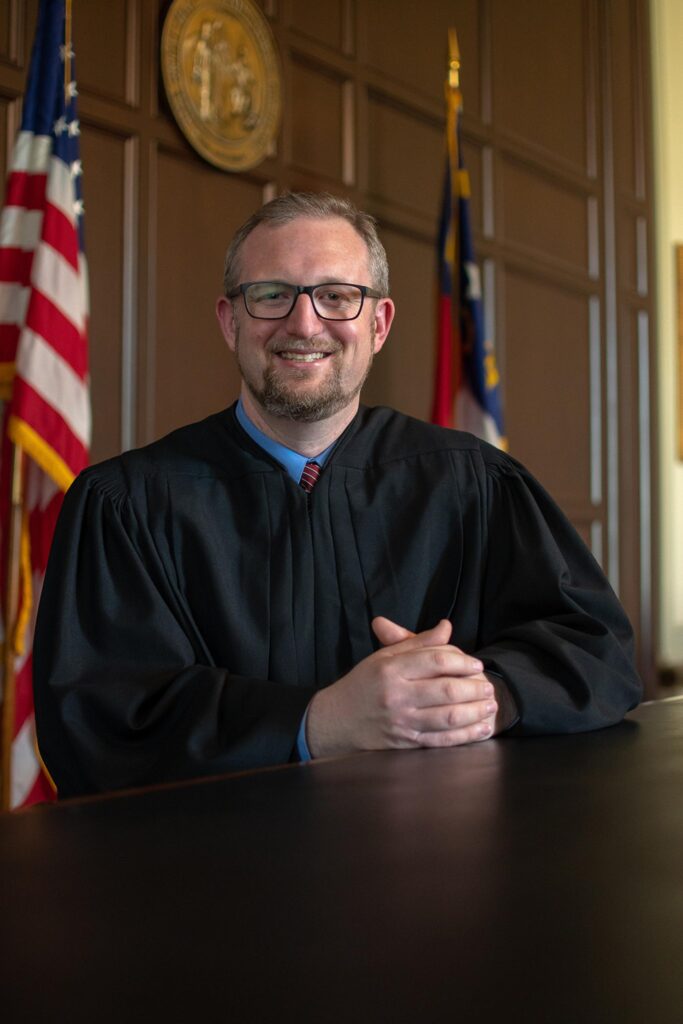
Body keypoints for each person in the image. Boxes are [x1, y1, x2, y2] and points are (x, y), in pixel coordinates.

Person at [33, 192, 642, 797]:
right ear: (230, 321)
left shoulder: (472, 482)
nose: (304, 324)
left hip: (441, 869)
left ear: (377, 324)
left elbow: (597, 651)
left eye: (336, 297)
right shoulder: (128, 505)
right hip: (216, 877)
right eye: (271, 294)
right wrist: (317, 723)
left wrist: (484, 695)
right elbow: (98, 726)